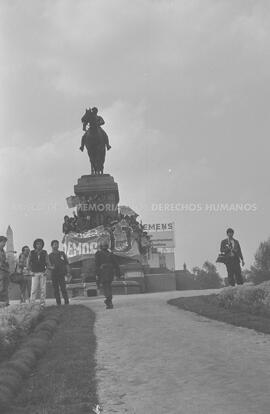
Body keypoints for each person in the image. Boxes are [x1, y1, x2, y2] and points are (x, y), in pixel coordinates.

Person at [95, 240, 120, 309]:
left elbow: (96, 265)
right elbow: (116, 264)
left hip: (103, 272)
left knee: (106, 287)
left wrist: (97, 274)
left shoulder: (98, 254)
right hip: (110, 272)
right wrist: (118, 274)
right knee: (108, 286)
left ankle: (109, 302)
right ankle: (109, 301)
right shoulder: (111, 254)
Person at [27, 238, 51, 308]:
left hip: (42, 273)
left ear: (42, 245)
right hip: (34, 273)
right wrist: (30, 271)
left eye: (40, 244)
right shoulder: (31, 252)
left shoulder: (45, 252)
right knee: (33, 289)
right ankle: (32, 304)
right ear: (35, 245)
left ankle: (42, 304)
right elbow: (28, 263)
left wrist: (46, 271)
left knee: (43, 289)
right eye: (37, 244)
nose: (39, 245)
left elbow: (48, 263)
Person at [49, 240, 70, 306]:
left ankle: (66, 302)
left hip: (61, 274)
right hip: (54, 274)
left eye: (57, 244)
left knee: (63, 288)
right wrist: (51, 268)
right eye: (55, 244)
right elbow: (48, 266)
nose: (56, 245)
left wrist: (68, 272)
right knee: (56, 290)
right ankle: (58, 303)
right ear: (52, 246)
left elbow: (66, 263)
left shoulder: (62, 253)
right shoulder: (50, 255)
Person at [0, 236, 9, 306]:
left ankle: (5, 303)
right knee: (2, 288)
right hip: (1, 271)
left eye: (5, 242)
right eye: (3, 242)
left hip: (5, 271)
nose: (4, 244)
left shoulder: (3, 251)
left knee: (5, 288)